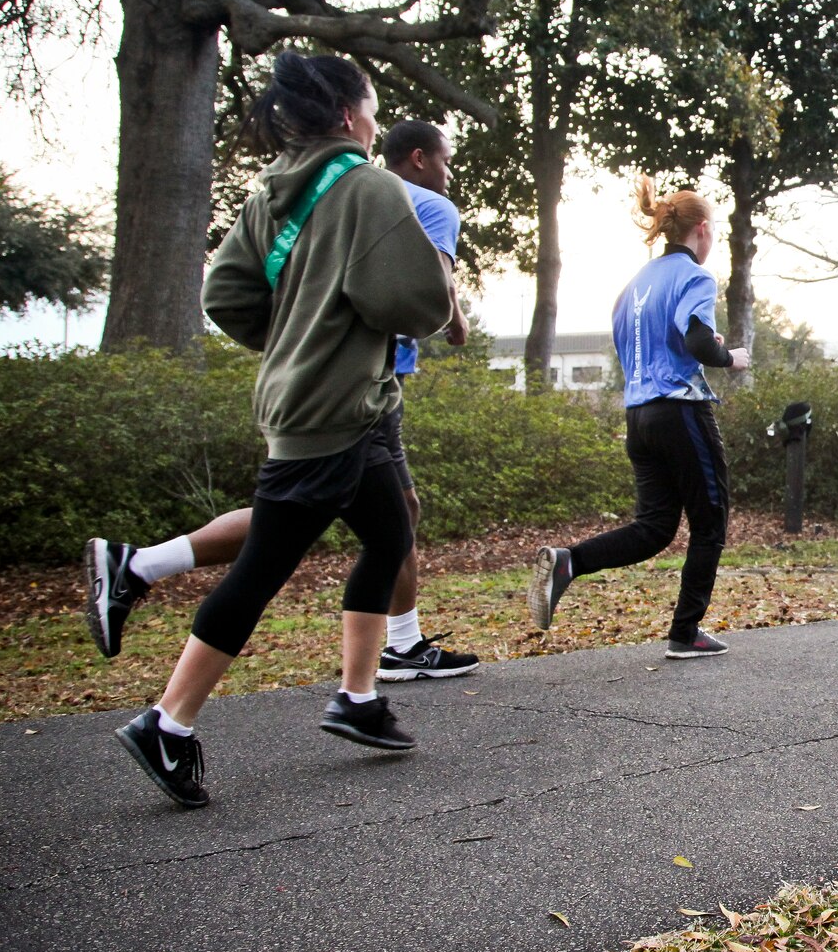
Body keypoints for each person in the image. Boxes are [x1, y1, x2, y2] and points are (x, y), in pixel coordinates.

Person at [113, 52, 455, 809]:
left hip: (332, 403)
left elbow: (228, 290)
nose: (374, 120)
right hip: (330, 410)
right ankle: (167, 721)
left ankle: (358, 697)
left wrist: (298, 332)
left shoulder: (274, 189)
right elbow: (414, 302)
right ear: (347, 116)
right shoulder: (369, 186)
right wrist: (345, 326)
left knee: (392, 529)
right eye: (369, 107)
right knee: (262, 565)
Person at [85, 121, 479, 682]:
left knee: (386, 519)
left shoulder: (305, 192)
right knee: (297, 525)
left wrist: (296, 343)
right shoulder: (418, 203)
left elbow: (227, 292)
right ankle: (164, 671)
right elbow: (435, 309)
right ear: (417, 158)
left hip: (302, 383)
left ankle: (376, 674)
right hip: (359, 390)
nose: (447, 171)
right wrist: (450, 314)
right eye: (444, 159)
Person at [528, 179, 751, 656]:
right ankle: (685, 632)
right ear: (703, 230)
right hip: (681, 413)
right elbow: (697, 341)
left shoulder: (633, 285)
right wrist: (732, 357)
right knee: (710, 523)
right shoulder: (695, 277)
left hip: (638, 417)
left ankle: (569, 562)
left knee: (654, 529)